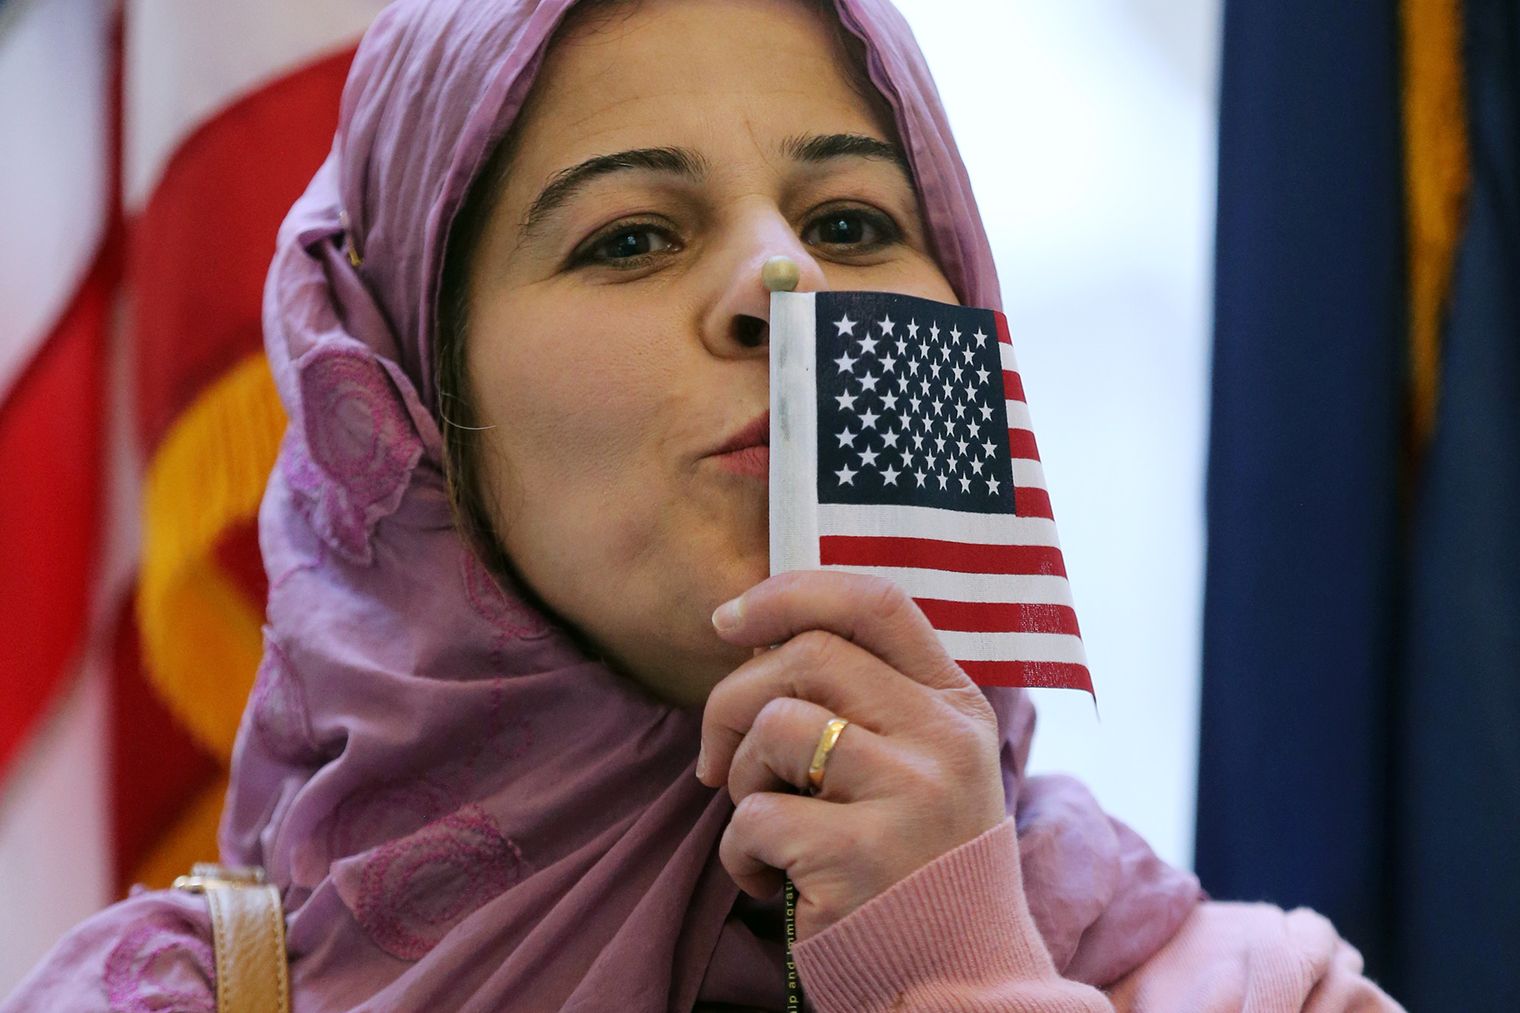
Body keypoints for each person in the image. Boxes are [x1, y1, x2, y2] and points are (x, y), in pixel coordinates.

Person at [4, 0, 1405, 1009]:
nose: (784, 286)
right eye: (629, 237)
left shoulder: (1265, 993)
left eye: (853, 222)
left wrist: (963, 972)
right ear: (415, 407)